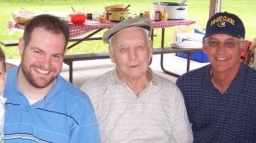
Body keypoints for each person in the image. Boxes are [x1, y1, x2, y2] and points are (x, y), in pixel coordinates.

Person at [0, 14, 99, 142]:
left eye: (56, 56)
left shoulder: (79, 107)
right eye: (38, 52)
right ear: (22, 46)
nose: (45, 64)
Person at [80, 17, 193, 142]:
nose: (132, 56)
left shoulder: (171, 93)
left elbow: (184, 140)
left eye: (139, 47)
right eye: (123, 49)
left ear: (150, 49)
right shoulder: (92, 93)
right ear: (112, 55)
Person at [176, 12, 256, 142]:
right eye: (214, 42)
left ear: (242, 48)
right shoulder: (186, 85)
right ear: (204, 46)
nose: (220, 50)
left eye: (229, 43)